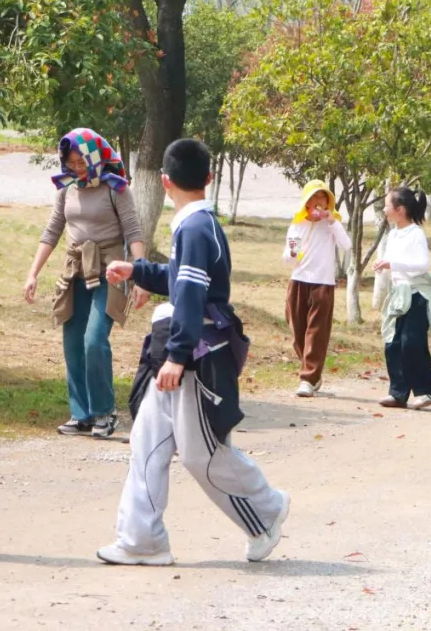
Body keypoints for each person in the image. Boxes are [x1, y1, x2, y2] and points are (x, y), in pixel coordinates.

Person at [96, 138, 290, 566]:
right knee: (147, 442)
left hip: (195, 353)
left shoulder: (195, 228)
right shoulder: (196, 225)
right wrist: (139, 271)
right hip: (183, 344)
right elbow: (183, 281)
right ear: (209, 177)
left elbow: (192, 295)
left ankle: (266, 510)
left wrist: (178, 356)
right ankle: (140, 539)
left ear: (164, 182)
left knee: (202, 454)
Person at [24, 128, 147, 438]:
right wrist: (33, 273)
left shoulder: (115, 189)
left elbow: (133, 231)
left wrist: (140, 274)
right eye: (71, 163)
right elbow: (52, 231)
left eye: (81, 162)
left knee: (94, 341)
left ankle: (105, 413)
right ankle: (82, 415)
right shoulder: (67, 189)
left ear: (95, 157)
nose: (77, 168)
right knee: (73, 343)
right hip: (75, 272)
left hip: (110, 271)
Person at [373, 187, 431, 410]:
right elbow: (394, 261)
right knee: (392, 343)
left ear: (400, 209)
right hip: (399, 295)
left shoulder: (416, 234)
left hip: (416, 296)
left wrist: (392, 264)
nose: (384, 209)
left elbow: (423, 265)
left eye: (387, 205)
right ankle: (398, 393)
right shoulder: (393, 233)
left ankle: (430, 388)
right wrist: (384, 265)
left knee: (411, 343)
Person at [283, 180, 351, 398]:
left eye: (322, 198)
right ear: (306, 202)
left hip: (323, 283)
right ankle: (312, 371)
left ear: (328, 202)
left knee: (316, 332)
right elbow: (287, 257)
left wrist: (332, 222)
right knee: (297, 330)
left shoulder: (332, 225)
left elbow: (346, 245)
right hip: (298, 280)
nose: (317, 203)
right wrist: (291, 254)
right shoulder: (297, 224)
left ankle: (308, 378)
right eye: (313, 198)